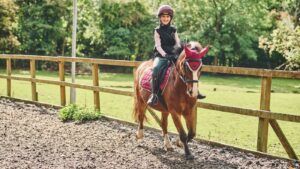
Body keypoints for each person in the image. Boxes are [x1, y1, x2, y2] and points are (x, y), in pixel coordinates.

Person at [147, 5, 205, 106]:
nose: (165, 19)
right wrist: (165, 55)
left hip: (174, 54)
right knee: (156, 70)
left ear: (170, 18)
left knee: (188, 67)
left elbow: (177, 42)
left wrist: (181, 49)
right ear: (160, 18)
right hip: (160, 55)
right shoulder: (157, 30)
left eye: (167, 17)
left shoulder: (173, 29)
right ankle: (154, 95)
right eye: (163, 17)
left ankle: (195, 90)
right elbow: (158, 46)